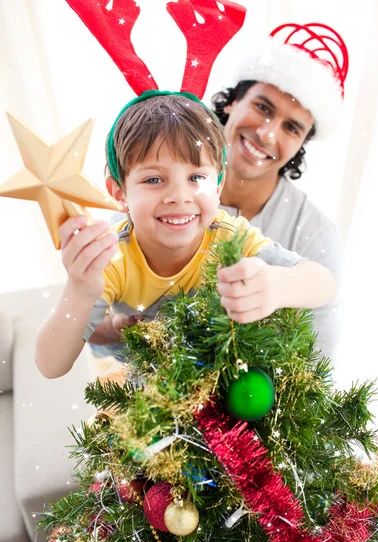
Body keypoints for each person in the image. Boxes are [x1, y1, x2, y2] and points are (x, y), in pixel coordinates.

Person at [91, 24, 347, 361]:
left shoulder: (313, 232)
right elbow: (94, 332)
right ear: (232, 102)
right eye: (263, 108)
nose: (268, 134)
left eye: (291, 127)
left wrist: (279, 287)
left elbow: (318, 355)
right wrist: (126, 328)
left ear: (301, 144)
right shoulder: (151, 200)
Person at [35, 93, 335, 379]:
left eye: (196, 178)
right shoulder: (113, 258)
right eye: (154, 179)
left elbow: (325, 284)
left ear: (217, 185)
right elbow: (50, 365)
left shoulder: (229, 236)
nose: (179, 196)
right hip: (152, 404)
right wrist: (80, 289)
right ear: (120, 193)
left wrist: (277, 285)